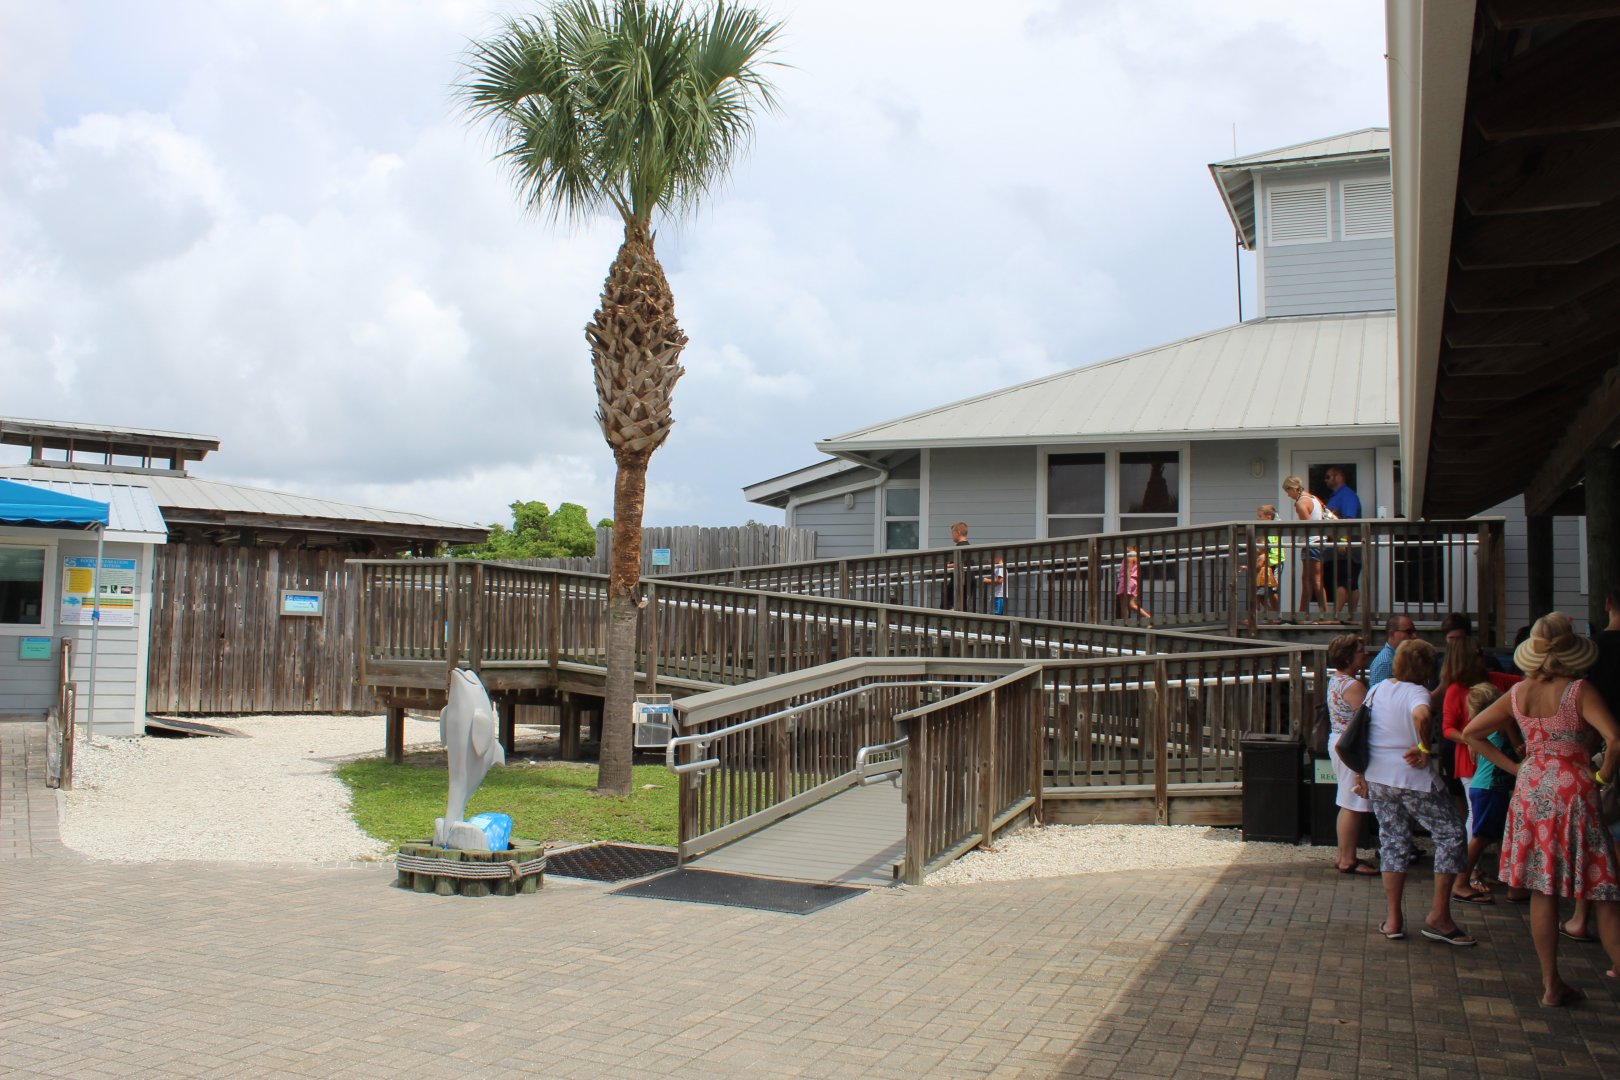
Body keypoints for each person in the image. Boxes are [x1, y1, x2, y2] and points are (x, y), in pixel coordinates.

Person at [1462, 612, 1620, 1006]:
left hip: (1531, 789)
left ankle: (1551, 984)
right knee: (1601, 887)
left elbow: (1472, 733)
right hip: (1575, 790)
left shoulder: (1519, 692)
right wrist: (1602, 778)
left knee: (1542, 888)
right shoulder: (1579, 690)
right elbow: (1615, 739)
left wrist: (1518, 767)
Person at [1350, 638, 1475, 946]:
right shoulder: (1417, 693)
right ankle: (1439, 916)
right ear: (1427, 667)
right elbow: (1421, 713)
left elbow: (1361, 728)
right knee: (1450, 834)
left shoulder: (1379, 689)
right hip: (1411, 778)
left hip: (1379, 776)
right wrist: (1422, 746)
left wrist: (1360, 773)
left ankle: (1393, 919)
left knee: (1393, 842)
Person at [1458, 681, 1527, 905]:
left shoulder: (1485, 729)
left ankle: (1512, 885)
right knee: (1482, 837)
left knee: (1498, 836)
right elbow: (1519, 750)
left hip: (1489, 788)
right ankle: (1461, 882)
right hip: (1489, 789)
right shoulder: (1496, 729)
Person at [1324, 634, 1376, 875]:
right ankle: (1347, 858)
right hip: (1349, 745)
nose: (1364, 654)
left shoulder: (1336, 681)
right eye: (1359, 651)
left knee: (1347, 800)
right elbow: (1364, 722)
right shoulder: (1354, 686)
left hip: (1338, 741)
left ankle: (1344, 855)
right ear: (1347, 657)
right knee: (1352, 803)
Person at [1282, 475, 1328, 619]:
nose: (1287, 495)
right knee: (1308, 579)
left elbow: (1307, 526)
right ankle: (1302, 614)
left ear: (1293, 488)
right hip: (1319, 542)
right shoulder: (1314, 498)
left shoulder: (1301, 503)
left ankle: (1325, 616)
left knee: (1315, 580)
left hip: (1312, 543)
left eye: (1287, 491)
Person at [1324, 466, 1363, 620]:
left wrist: (1342, 541)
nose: (1325, 480)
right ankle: (1351, 617)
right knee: (1351, 583)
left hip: (1347, 549)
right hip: (1338, 549)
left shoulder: (1347, 495)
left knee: (1344, 581)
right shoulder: (1335, 496)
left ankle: (1335, 617)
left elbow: (1349, 519)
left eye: (1328, 476)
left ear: (1339, 477)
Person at [1252, 505, 1284, 621]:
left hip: (1274, 561)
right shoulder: (1268, 528)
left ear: (1269, 517)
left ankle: (1275, 616)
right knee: (1263, 592)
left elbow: (1270, 546)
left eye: (1260, 516)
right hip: (1268, 563)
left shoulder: (1273, 528)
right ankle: (1272, 616)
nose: (1258, 519)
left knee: (1272, 590)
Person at [1368, 615, 1416, 688]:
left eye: (1414, 631)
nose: (1414, 636)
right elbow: (1380, 696)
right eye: (1409, 632)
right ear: (1392, 634)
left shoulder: (1398, 657)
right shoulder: (1386, 662)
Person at [941, 521, 974, 611]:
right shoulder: (969, 547)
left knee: (948, 604)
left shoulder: (960, 547)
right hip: (967, 580)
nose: (952, 535)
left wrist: (948, 566)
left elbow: (962, 563)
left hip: (960, 581)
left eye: (952, 533)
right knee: (961, 606)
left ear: (958, 532)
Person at [1115, 545, 1150, 623]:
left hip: (1127, 580)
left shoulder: (1130, 555)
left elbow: (1129, 570)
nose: (1125, 546)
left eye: (1128, 545)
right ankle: (1149, 618)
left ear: (1132, 546)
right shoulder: (1134, 554)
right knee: (1131, 605)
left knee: (1123, 604)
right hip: (1132, 580)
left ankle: (1125, 622)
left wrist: (1126, 585)